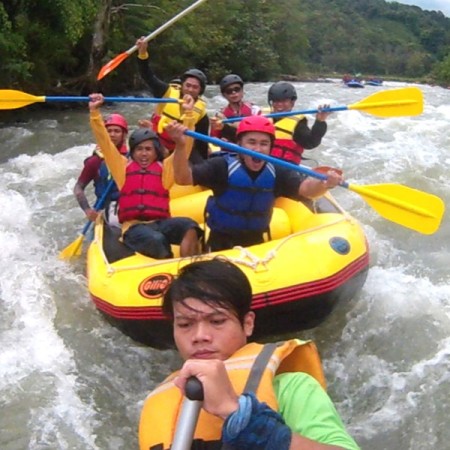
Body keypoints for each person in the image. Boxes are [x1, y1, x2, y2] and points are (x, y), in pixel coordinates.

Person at [138, 258, 360, 450]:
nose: (200, 335)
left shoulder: (290, 388)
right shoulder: (160, 402)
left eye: (217, 321)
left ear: (247, 324)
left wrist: (239, 415)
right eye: (185, 324)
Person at [166, 115, 342, 252]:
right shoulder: (221, 166)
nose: (258, 149)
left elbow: (306, 190)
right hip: (221, 242)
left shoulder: (277, 171)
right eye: (251, 142)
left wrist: (324, 183)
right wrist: (180, 146)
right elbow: (183, 178)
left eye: (264, 143)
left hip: (257, 243)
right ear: (239, 144)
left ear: (270, 147)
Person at [88, 93, 201, 259]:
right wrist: (95, 113)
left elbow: (184, 147)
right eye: (139, 149)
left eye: (148, 149)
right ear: (132, 152)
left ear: (156, 152)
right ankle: (168, 268)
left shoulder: (165, 169)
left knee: (191, 227)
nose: (144, 154)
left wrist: (189, 115)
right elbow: (104, 141)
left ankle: (188, 265)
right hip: (133, 228)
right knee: (157, 240)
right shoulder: (122, 168)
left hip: (160, 223)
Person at [135, 37, 210, 162]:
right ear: (182, 86)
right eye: (188, 86)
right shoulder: (167, 92)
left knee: (200, 164)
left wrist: (204, 163)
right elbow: (147, 76)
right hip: (158, 142)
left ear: (200, 91)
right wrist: (142, 54)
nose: (190, 90)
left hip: (182, 147)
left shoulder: (201, 113)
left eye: (195, 87)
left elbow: (202, 142)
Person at [73, 113, 128, 227]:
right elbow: (78, 188)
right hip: (103, 209)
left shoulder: (132, 157)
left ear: (124, 135)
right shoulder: (95, 161)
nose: (112, 134)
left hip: (127, 207)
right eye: (109, 131)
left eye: (117, 131)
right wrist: (87, 210)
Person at [268, 81, 330, 165]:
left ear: (292, 102)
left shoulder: (298, 124)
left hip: (285, 168)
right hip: (262, 164)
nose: (279, 104)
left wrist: (320, 121)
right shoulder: (261, 116)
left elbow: (311, 142)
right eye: (276, 101)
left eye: (284, 101)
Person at [210, 73, 261, 143]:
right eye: (229, 91)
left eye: (237, 89)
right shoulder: (220, 115)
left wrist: (230, 125)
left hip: (250, 150)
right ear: (224, 95)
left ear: (242, 91)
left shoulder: (254, 110)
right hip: (228, 151)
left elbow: (260, 133)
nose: (233, 92)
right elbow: (214, 139)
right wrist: (219, 141)